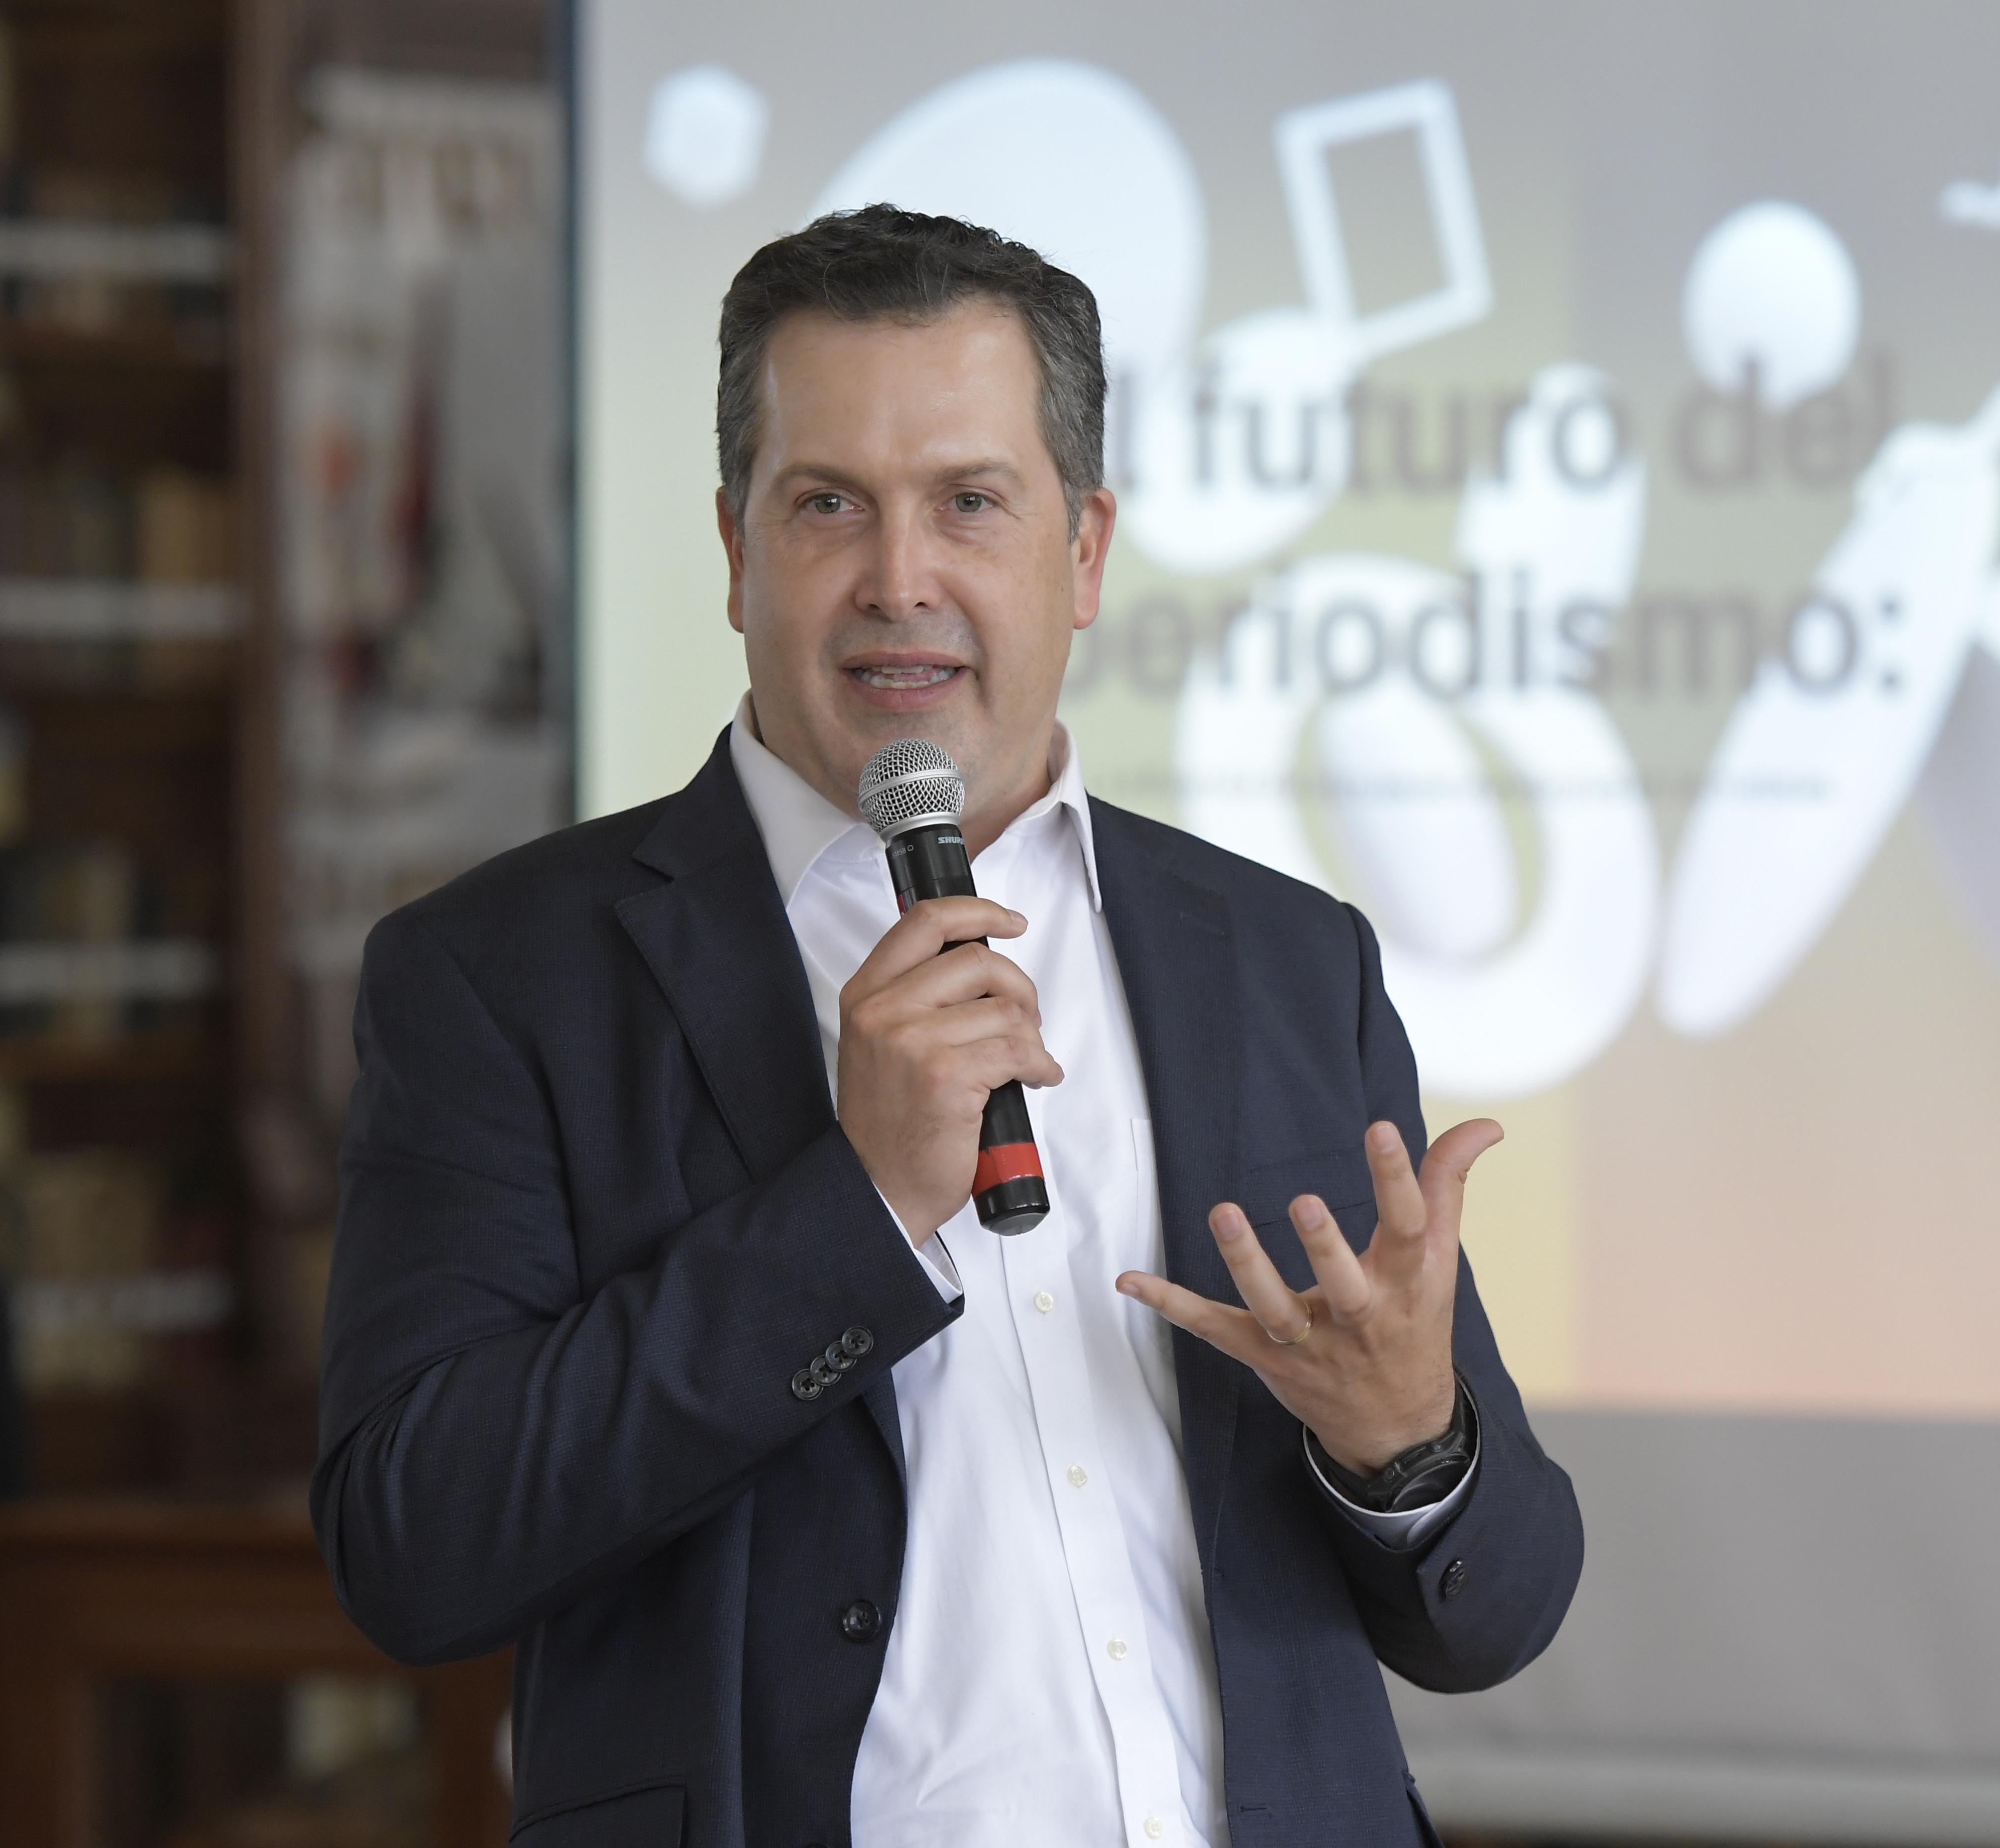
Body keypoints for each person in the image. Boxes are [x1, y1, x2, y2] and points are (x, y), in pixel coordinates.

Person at [314, 205, 1581, 1848]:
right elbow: (412, 1549)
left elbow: (1494, 1614)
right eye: (827, 504)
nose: (898, 581)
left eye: (970, 503)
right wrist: (851, 1213)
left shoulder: (1283, 957)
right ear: (735, 551)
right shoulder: (502, 975)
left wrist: (1410, 1447)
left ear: (1086, 553)